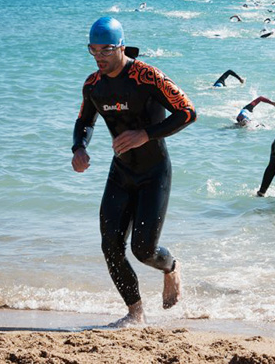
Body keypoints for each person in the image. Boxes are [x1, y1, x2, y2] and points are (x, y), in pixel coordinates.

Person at [71, 17, 197, 327]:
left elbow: (188, 112)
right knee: (110, 244)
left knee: (143, 250)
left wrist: (146, 134)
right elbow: (84, 121)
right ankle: (135, 313)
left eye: (106, 50)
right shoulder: (93, 85)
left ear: (121, 47)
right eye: (93, 50)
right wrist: (79, 148)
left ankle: (171, 267)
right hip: (122, 172)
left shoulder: (147, 76)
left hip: (154, 172)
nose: (100, 56)